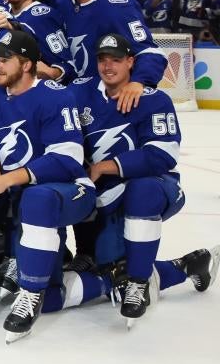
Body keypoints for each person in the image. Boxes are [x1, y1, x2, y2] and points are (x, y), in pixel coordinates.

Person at [71, 34, 219, 326]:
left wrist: (107, 166)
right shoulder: (79, 93)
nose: (108, 66)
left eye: (116, 59)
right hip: (104, 197)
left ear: (131, 62)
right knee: (112, 273)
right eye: (102, 59)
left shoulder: (154, 99)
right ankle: (189, 264)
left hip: (155, 187)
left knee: (142, 190)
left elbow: (163, 154)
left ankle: (140, 281)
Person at [0, 29, 99, 343]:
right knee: (53, 299)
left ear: (27, 64)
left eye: (5, 59)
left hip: (70, 189)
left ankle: (29, 294)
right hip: (26, 198)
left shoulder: (56, 95)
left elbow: (68, 158)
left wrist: (8, 177)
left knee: (38, 197)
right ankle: (110, 280)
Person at [54, 0, 166, 114]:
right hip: (79, 95)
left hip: (110, 99)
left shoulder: (116, 6)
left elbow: (149, 50)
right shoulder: (64, 2)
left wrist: (139, 81)